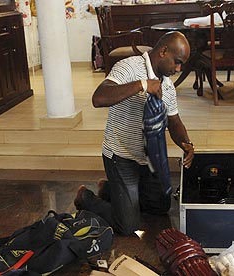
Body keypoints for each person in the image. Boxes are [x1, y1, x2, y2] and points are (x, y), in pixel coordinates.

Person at [74, 31, 194, 236]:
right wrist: (143, 85)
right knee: (127, 225)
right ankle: (85, 197)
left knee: (160, 207)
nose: (179, 68)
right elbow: (99, 98)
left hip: (148, 159)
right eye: (177, 62)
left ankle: (111, 190)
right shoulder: (128, 67)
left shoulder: (167, 85)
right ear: (164, 51)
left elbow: (173, 121)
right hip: (121, 157)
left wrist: (187, 144)